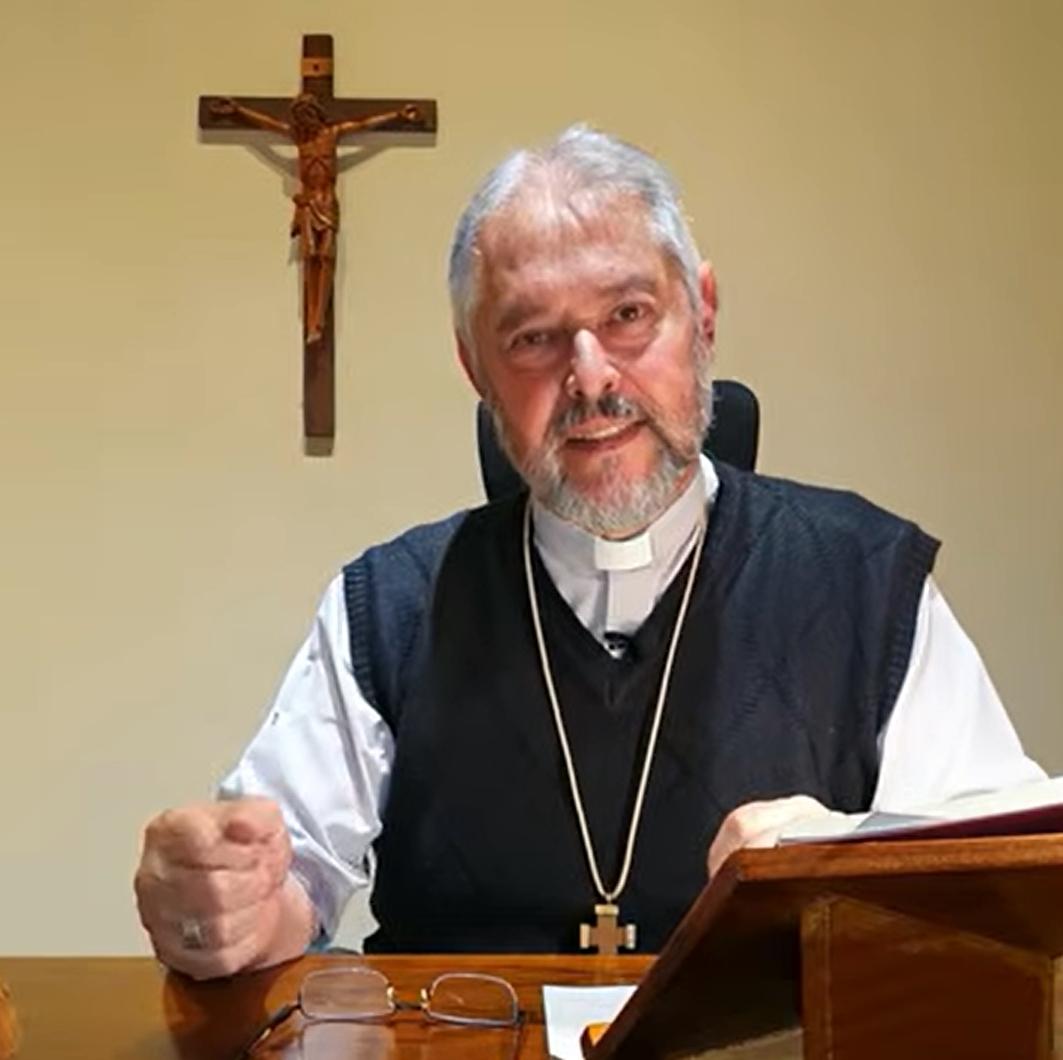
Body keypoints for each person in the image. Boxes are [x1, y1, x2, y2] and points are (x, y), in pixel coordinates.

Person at [135, 126, 1042, 980]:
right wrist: (219, 914)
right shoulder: (391, 606)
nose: (592, 377)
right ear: (475, 370)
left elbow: (1003, 888)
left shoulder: (865, 583)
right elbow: (283, 887)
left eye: (629, 314)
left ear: (705, 317)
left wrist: (837, 862)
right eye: (532, 339)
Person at [209, 94, 420, 342]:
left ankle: (319, 316)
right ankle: (312, 321)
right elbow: (268, 124)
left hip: (327, 203)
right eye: (300, 118)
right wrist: (239, 111)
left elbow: (364, 124)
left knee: (326, 256)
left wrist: (397, 116)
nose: (304, 122)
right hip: (308, 203)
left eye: (307, 115)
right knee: (310, 258)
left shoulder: (332, 134)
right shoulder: (299, 139)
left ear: (317, 114)